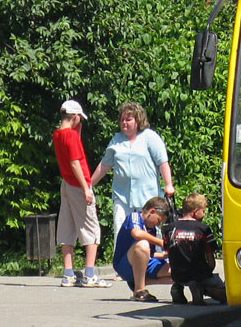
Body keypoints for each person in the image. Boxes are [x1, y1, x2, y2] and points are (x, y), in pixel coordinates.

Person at [91, 102, 174, 241]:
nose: (124, 123)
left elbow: (163, 162)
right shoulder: (116, 140)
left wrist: (168, 184)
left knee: (151, 233)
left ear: (138, 120)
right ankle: (122, 262)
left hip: (148, 197)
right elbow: (105, 165)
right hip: (122, 196)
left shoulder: (150, 137)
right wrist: (89, 185)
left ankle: (154, 260)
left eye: (128, 119)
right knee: (121, 232)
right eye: (122, 119)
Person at [52, 99, 111, 288]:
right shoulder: (72, 137)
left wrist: (76, 129)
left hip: (66, 184)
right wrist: (86, 188)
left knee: (67, 227)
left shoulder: (58, 134)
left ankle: (68, 273)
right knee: (91, 228)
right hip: (79, 185)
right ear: (76, 117)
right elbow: (75, 162)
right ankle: (90, 274)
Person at [165, 193, 226, 305]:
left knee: (185, 277)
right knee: (226, 296)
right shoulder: (203, 229)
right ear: (195, 211)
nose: (204, 214)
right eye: (203, 211)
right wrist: (208, 272)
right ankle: (199, 287)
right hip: (199, 273)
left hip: (177, 273)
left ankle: (177, 287)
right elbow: (210, 259)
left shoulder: (170, 228)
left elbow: (169, 251)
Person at [113, 196, 172, 302]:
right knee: (143, 244)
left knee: (176, 271)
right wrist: (162, 243)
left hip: (144, 263)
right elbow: (137, 233)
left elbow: (150, 254)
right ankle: (139, 290)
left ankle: (138, 282)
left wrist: (166, 255)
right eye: (158, 220)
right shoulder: (135, 216)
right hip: (125, 264)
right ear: (152, 211)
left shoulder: (152, 229)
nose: (158, 224)